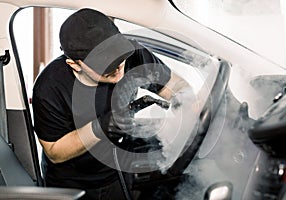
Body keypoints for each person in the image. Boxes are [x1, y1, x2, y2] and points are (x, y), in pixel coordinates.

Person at [32, 8, 188, 200]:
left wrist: (184, 107)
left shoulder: (134, 55)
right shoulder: (50, 87)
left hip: (118, 173)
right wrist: (100, 127)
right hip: (73, 186)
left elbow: (177, 86)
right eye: (106, 67)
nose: (118, 70)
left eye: (120, 59)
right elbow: (55, 151)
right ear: (75, 64)